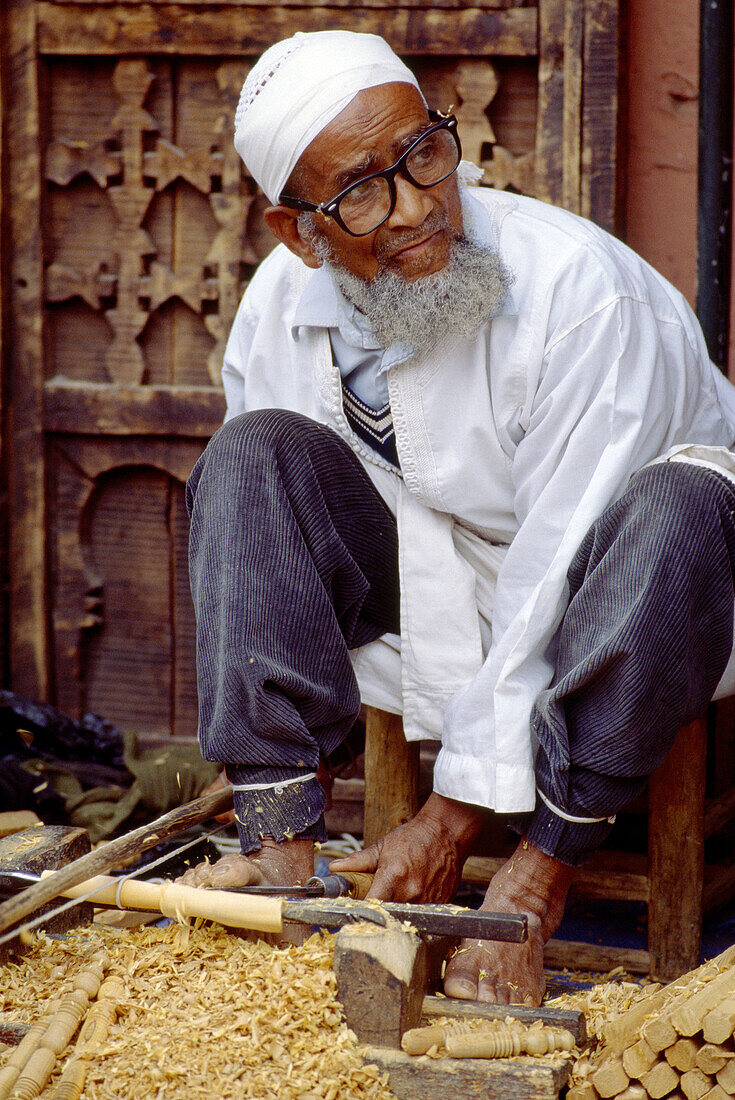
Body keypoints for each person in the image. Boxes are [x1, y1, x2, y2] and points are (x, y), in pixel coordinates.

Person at [182, 29, 735, 1005]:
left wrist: (454, 821)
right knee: (251, 453)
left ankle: (534, 887)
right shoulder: (279, 305)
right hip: (435, 580)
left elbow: (557, 561)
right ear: (296, 230)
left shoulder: (580, 292)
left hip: (638, 589)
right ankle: (279, 845)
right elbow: (275, 538)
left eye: (424, 156)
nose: (415, 209)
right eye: (360, 192)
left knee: (678, 509)